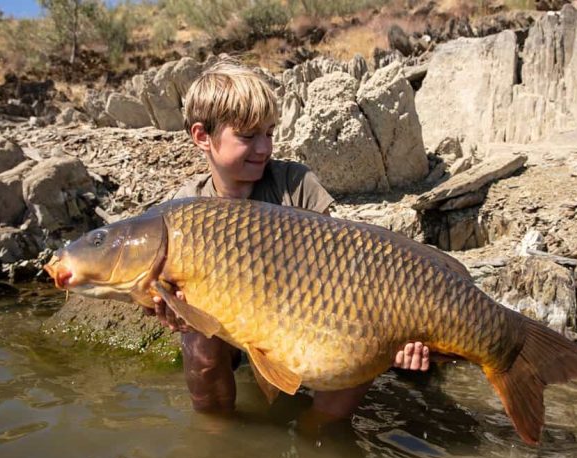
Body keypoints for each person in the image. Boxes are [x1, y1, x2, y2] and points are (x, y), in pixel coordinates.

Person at [143, 61, 431, 421]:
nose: (264, 148)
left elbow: (343, 268)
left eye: (270, 132)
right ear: (202, 137)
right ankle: (216, 434)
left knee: (362, 335)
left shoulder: (296, 183)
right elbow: (159, 294)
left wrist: (395, 336)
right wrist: (172, 312)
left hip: (302, 318)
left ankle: (319, 431)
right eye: (248, 136)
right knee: (198, 341)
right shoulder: (184, 208)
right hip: (229, 332)